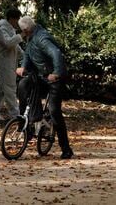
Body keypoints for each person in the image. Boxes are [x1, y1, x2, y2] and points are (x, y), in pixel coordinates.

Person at [16, 16, 73, 159]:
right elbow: (28, 55)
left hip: (54, 80)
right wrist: (23, 67)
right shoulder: (31, 37)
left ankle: (66, 148)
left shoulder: (41, 38)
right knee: (23, 85)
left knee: (54, 111)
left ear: (26, 30)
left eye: (22, 31)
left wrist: (57, 73)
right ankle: (27, 123)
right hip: (41, 77)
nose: (22, 33)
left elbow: (56, 53)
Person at [0, 8, 24, 122]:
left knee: (1, 91)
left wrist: (28, 57)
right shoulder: (2, 30)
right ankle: (16, 115)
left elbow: (17, 48)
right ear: (12, 19)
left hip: (10, 64)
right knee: (10, 89)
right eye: (17, 20)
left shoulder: (11, 30)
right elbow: (8, 44)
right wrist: (21, 35)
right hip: (4, 65)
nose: (18, 22)